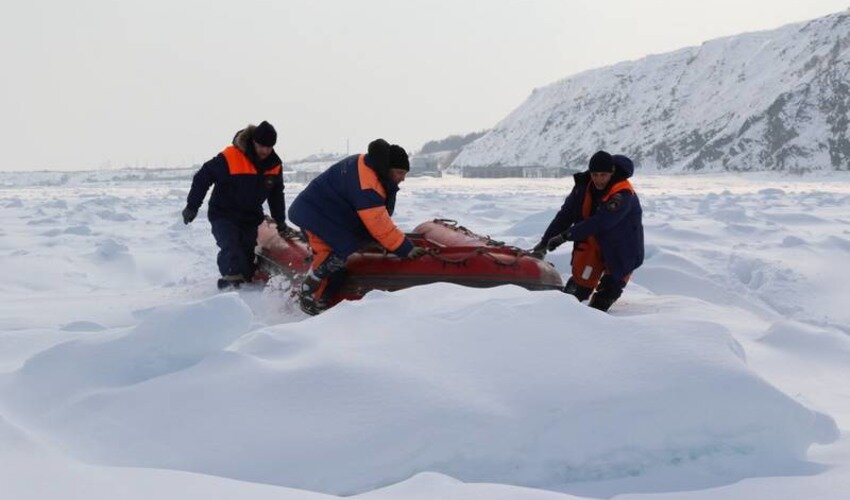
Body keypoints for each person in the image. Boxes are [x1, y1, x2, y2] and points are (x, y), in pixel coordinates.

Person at [288, 138, 426, 315]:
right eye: (399, 173)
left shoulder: (371, 168)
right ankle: (309, 291)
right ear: (387, 169)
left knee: (341, 257)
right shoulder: (368, 183)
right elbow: (377, 221)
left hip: (328, 213)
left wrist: (373, 239)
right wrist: (404, 247)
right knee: (333, 253)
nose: (402, 179)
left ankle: (322, 299)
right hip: (316, 214)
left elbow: (371, 216)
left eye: (405, 174)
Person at [182, 121, 297, 289]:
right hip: (224, 214)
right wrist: (192, 206)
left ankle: (245, 281)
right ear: (253, 142)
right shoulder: (230, 157)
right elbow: (202, 177)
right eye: (261, 146)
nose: (265, 150)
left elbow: (276, 195)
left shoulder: (274, 165)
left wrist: (280, 221)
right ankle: (230, 289)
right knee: (231, 247)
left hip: (250, 217)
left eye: (269, 147)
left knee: (246, 263)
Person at [531, 150, 644, 312]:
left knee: (603, 299)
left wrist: (565, 236)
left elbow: (602, 222)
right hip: (592, 244)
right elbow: (565, 216)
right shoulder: (582, 188)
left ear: (612, 173)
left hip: (622, 248)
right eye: (595, 174)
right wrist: (544, 243)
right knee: (575, 293)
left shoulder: (623, 194)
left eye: (603, 175)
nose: (598, 179)